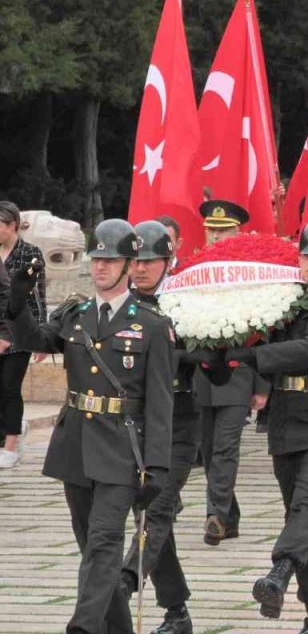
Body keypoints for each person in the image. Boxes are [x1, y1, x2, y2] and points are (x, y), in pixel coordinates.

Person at [7, 219, 174, 633]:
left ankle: (81, 627)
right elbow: (36, 341)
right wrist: (18, 303)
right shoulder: (76, 314)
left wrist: (158, 464)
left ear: (129, 265)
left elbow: (159, 402)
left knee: (104, 543)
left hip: (122, 448)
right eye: (97, 258)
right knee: (90, 547)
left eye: (110, 259)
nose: (100, 267)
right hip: (76, 446)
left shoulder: (151, 325)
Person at [210, 219, 308, 633]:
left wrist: (255, 358)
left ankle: (278, 573)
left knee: (307, 503)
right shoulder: (284, 305)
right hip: (286, 417)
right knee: (300, 515)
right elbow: (252, 333)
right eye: (306, 255)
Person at [120, 220, 200, 634]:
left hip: (178, 423)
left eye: (149, 260)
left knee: (158, 507)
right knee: (156, 517)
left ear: (168, 261)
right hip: (133, 427)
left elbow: (205, 353)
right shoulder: (122, 305)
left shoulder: (186, 302)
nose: (140, 269)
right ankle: (177, 612)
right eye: (134, 260)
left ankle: (124, 582)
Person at [192, 199, 270, 546]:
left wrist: (262, 384)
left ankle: (216, 516)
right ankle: (229, 514)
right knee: (209, 451)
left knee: (224, 448)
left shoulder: (250, 274)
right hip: (202, 374)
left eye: (225, 231)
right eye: (212, 230)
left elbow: (266, 332)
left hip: (239, 374)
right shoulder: (193, 272)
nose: (217, 237)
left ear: (239, 233)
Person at [0, 200, 45, 468]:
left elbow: (39, 297)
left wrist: (42, 336)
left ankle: (11, 443)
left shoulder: (30, 253)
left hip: (20, 332)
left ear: (12, 226)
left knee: (9, 387)